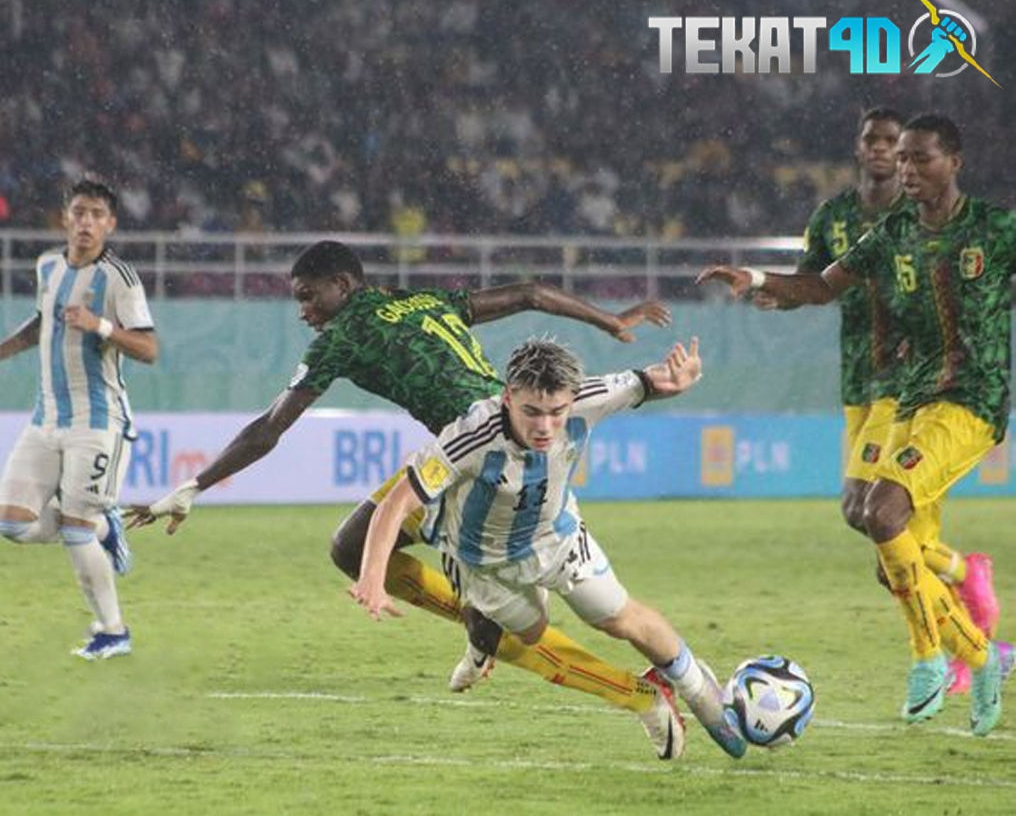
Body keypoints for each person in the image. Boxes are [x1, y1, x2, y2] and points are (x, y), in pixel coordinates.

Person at [127, 240, 696, 744]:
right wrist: (609, 320)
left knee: (402, 568)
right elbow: (529, 292)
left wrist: (195, 485)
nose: (303, 311)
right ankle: (482, 629)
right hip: (495, 440)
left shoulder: (344, 334)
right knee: (352, 548)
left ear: (343, 286)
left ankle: (633, 694)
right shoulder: (421, 300)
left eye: (309, 297)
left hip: (468, 465)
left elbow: (270, 427)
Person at [697, 114, 1014, 735]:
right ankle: (980, 659)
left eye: (921, 159)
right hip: (912, 396)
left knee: (881, 513)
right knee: (889, 557)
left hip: (972, 399)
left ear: (955, 162)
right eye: (904, 161)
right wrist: (758, 278)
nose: (909, 170)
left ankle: (927, 659)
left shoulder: (995, 230)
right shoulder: (893, 230)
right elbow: (822, 284)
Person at [349, 337, 745, 759]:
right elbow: (396, 503)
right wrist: (373, 576)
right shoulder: (469, 437)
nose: (544, 426)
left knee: (620, 617)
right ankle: (481, 641)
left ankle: (703, 696)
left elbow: (646, 381)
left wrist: (676, 380)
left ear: (571, 400)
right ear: (507, 398)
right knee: (533, 631)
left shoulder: (590, 399)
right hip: (486, 562)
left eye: (556, 413)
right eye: (531, 412)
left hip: (558, 539)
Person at [780, 107, 996, 696]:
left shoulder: (924, 216)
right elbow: (815, 281)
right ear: (860, 149)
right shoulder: (835, 217)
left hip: (911, 384)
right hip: (860, 378)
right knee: (874, 528)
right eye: (878, 144)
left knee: (878, 518)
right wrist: (768, 289)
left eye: (898, 147)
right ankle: (960, 579)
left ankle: (955, 650)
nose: (888, 156)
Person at [0, 176, 158, 660]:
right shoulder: (48, 265)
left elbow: (149, 348)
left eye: (96, 215)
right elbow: (41, 322)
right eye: (79, 212)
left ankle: (113, 632)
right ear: (65, 217)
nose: (86, 222)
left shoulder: (119, 279)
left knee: (73, 528)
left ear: (110, 224)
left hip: (98, 422)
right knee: (12, 525)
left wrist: (101, 325)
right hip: (45, 419)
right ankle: (104, 525)